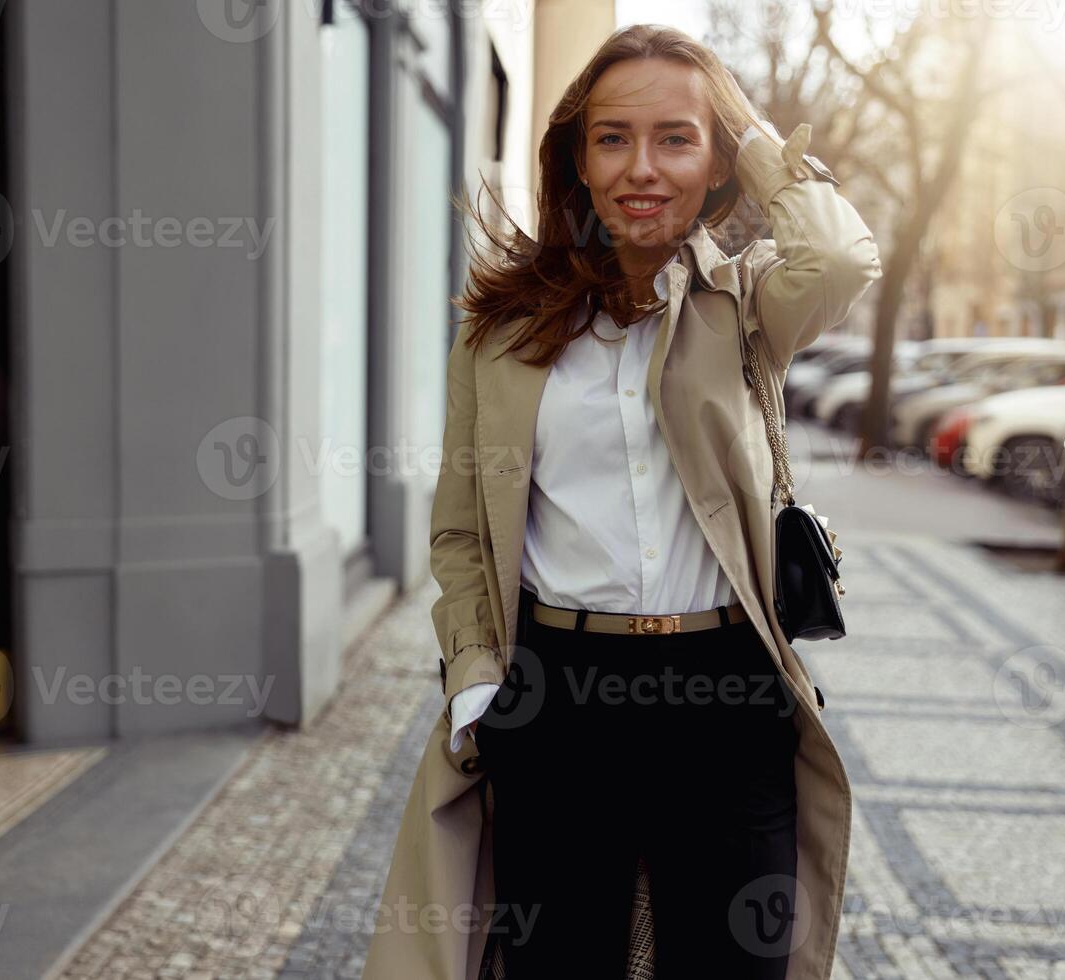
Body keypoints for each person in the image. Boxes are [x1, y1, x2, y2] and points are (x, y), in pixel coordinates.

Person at [364, 23, 881, 980]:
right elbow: (460, 528)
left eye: (676, 138)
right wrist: (477, 670)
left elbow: (844, 261)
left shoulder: (750, 303)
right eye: (612, 138)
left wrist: (756, 142)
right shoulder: (504, 329)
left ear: (717, 159)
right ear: (578, 158)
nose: (642, 168)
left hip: (725, 691)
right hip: (560, 694)